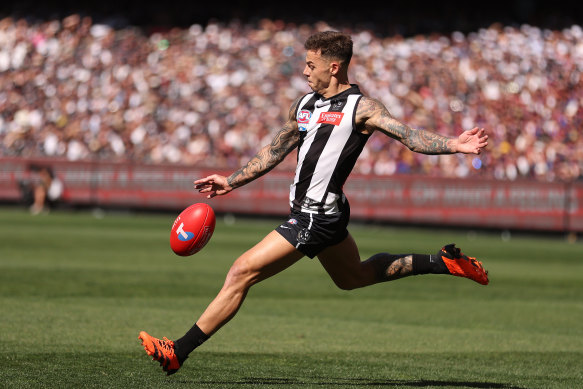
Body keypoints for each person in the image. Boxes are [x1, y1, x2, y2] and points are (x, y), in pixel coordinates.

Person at [139, 31, 489, 375]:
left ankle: (178, 351)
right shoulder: (304, 105)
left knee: (240, 272)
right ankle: (443, 263)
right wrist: (231, 181)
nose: (305, 72)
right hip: (317, 214)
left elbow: (409, 136)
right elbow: (273, 151)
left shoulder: (361, 107)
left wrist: (454, 145)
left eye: (311, 64)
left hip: (316, 217)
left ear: (334, 67)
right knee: (354, 277)